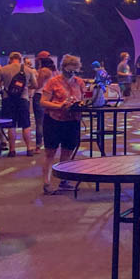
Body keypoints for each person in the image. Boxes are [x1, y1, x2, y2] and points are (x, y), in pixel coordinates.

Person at [40, 55, 86, 194]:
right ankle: (46, 183)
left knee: (67, 151)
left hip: (72, 121)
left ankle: (64, 180)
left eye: (75, 70)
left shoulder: (79, 82)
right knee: (50, 153)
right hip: (53, 120)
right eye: (69, 70)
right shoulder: (53, 82)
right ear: (63, 67)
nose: (72, 73)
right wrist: (60, 106)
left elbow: (84, 99)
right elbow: (43, 102)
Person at [0, 51, 38, 156]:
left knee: (11, 125)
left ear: (10, 59)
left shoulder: (3, 69)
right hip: (23, 99)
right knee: (26, 125)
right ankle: (29, 148)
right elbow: (35, 85)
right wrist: (25, 87)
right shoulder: (28, 70)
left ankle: (12, 150)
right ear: (20, 59)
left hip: (8, 99)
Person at [32, 51, 54, 153]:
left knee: (39, 122)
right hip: (50, 97)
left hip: (40, 95)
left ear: (41, 60)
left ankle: (38, 145)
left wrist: (28, 85)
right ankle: (50, 143)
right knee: (50, 121)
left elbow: (38, 85)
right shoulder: (54, 71)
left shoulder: (43, 71)